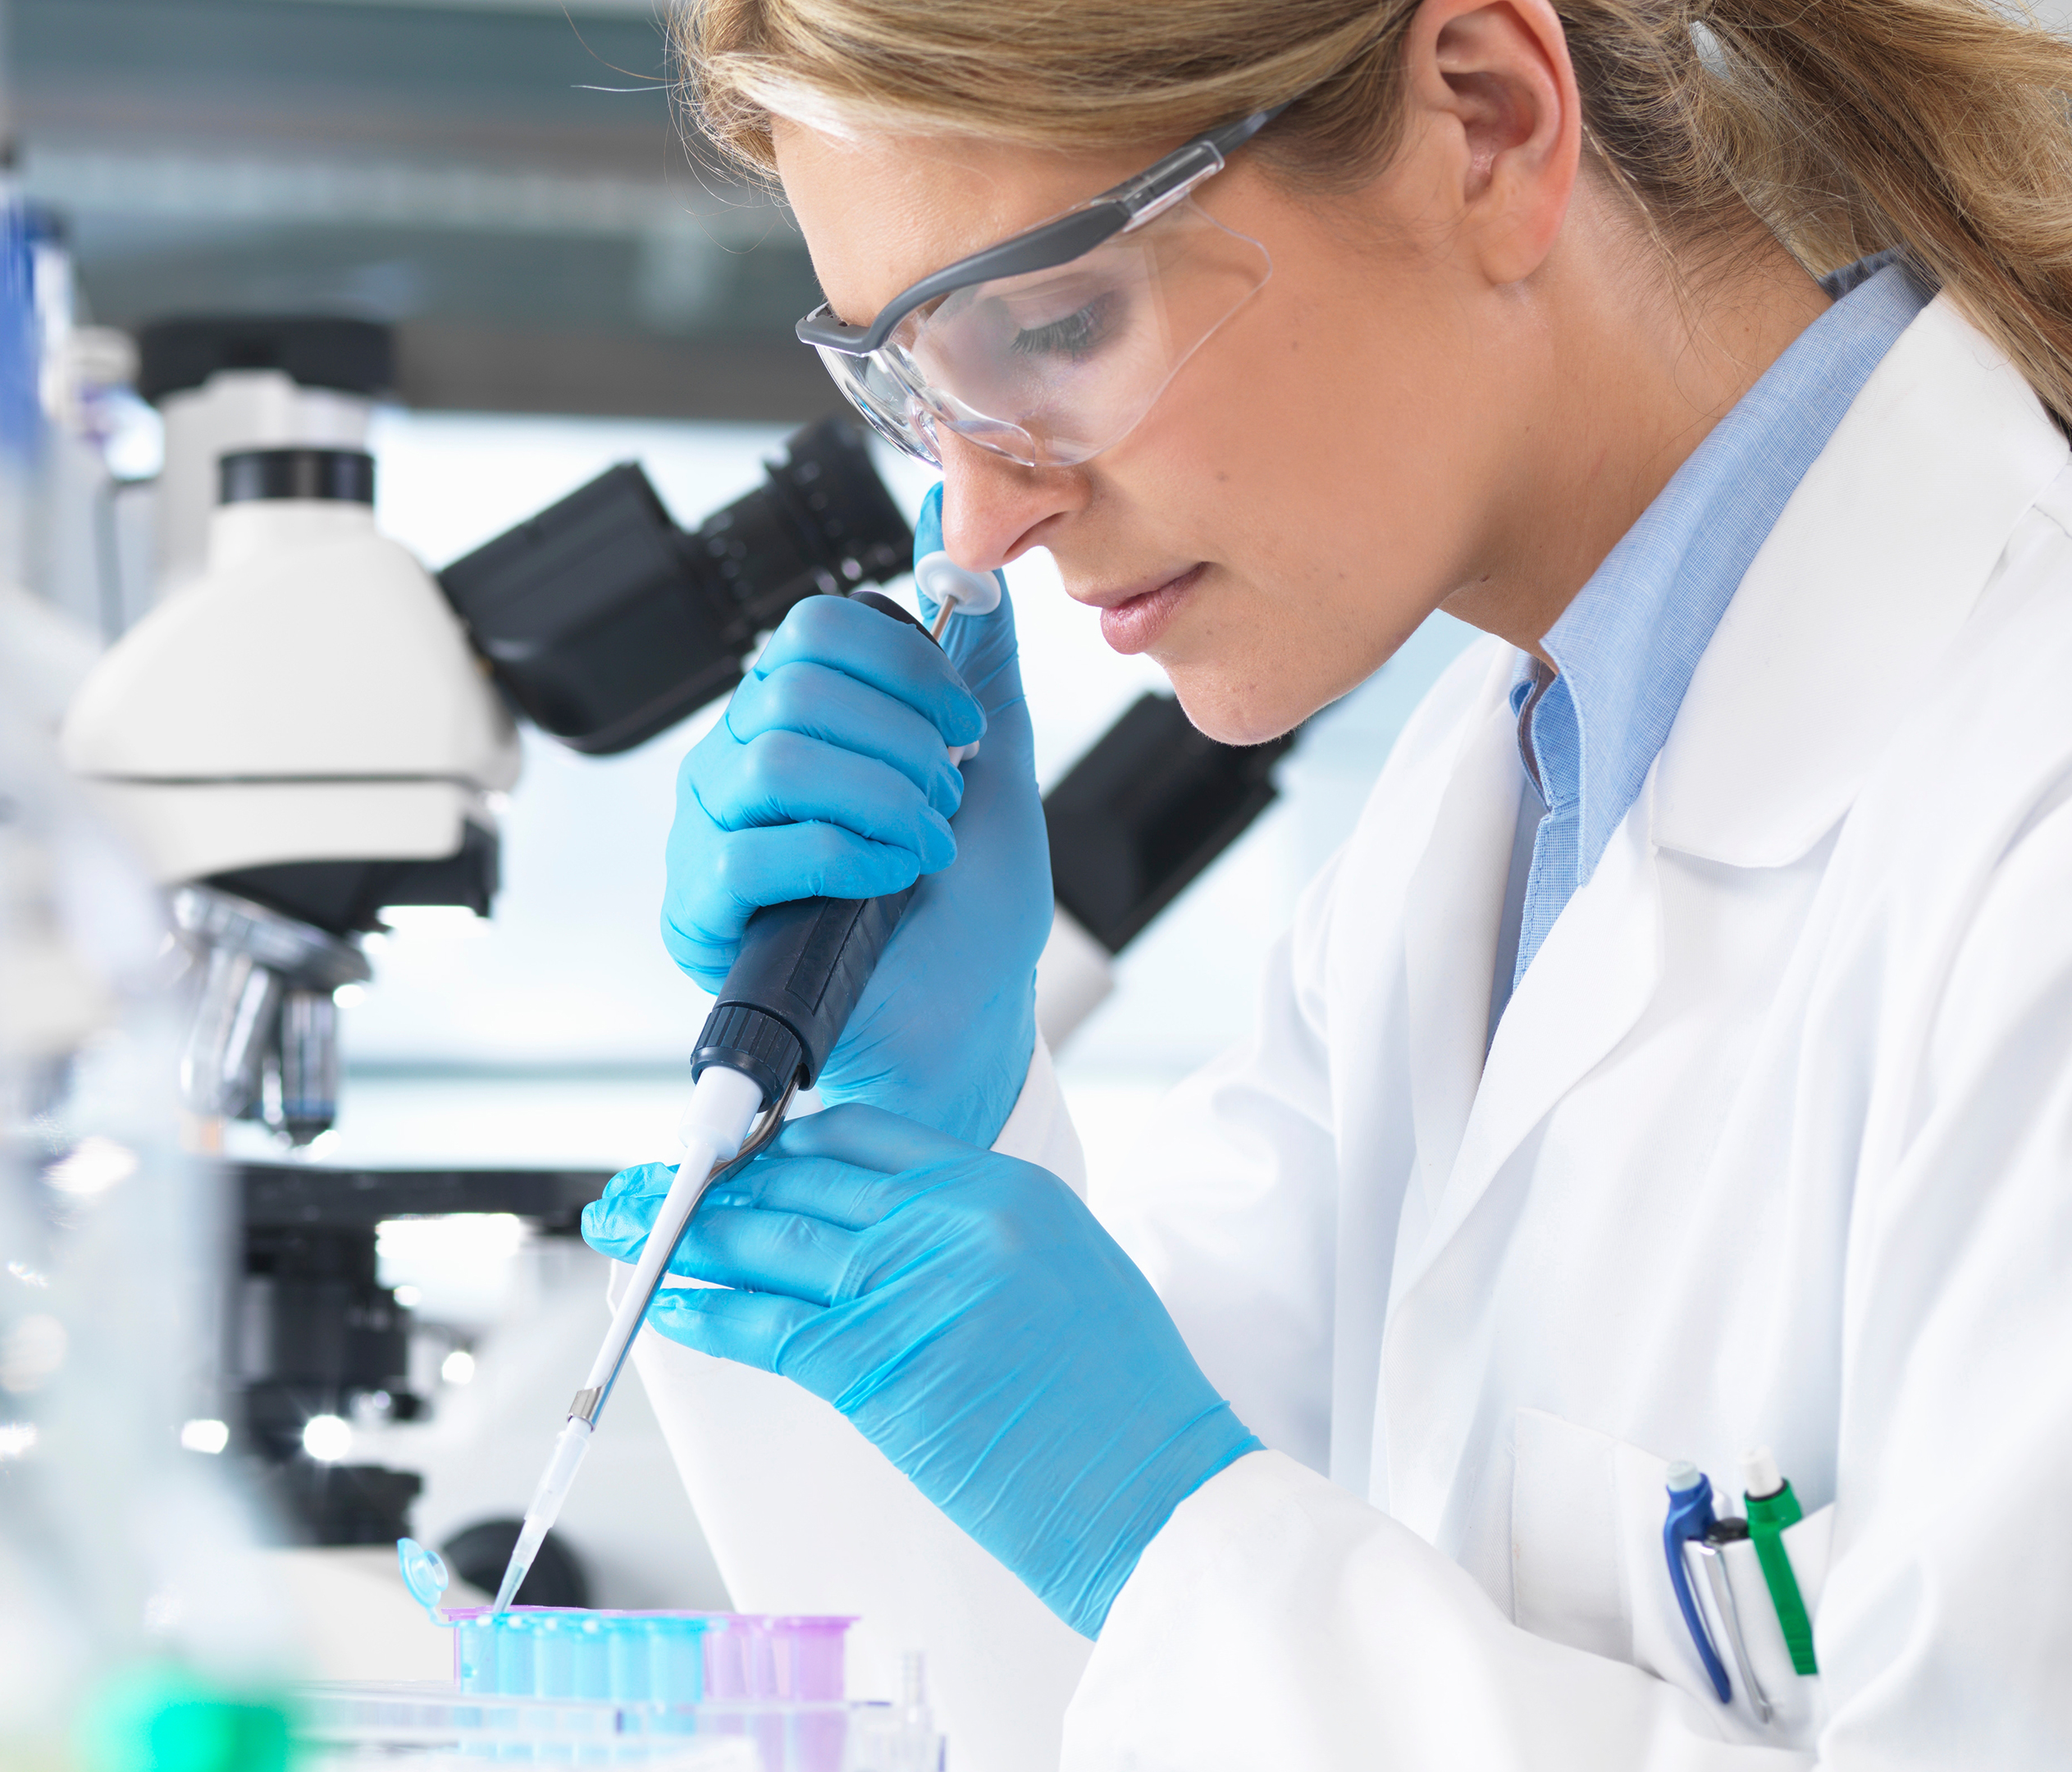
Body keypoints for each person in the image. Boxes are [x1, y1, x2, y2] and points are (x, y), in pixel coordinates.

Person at [582, 0, 2072, 1764]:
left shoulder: (2019, 794)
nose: (976, 523)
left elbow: (1213, 1581)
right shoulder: (1474, 831)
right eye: (917, 388)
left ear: (1489, 121)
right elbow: (1108, 1693)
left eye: (1053, 326)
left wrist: (1167, 1527)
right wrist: (925, 1133)